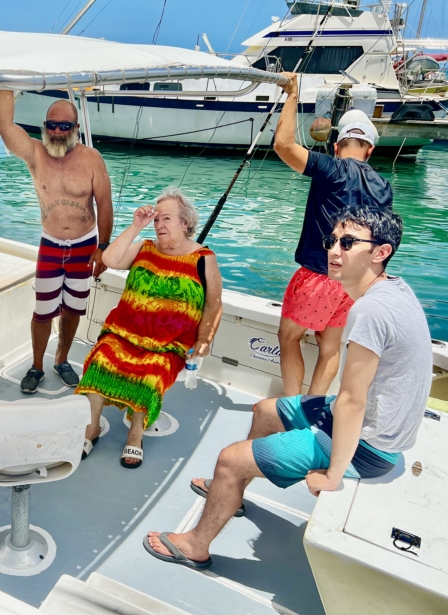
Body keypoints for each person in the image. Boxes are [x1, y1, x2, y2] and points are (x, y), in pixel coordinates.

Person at [145, 206, 431, 569]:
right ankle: (234, 494)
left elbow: (352, 402)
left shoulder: (371, 311)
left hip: (371, 446)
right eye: (332, 241)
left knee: (229, 460)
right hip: (379, 426)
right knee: (265, 410)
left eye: (348, 242)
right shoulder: (394, 290)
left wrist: (333, 476)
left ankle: (194, 545)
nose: (334, 250)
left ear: (381, 252)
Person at [75, 190, 222, 468]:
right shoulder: (145, 247)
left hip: (169, 343)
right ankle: (91, 427)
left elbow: (214, 306)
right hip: (124, 333)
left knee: (150, 375)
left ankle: (135, 434)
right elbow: (110, 260)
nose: (159, 225)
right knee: (99, 361)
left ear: (185, 224)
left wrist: (205, 339)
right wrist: (136, 225)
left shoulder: (203, 258)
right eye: (156, 220)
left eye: (166, 219)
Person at [273, 72, 392, 397]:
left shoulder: (332, 167)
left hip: (319, 275)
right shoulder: (385, 187)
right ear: (369, 150)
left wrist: (292, 93)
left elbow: (283, 146)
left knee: (289, 335)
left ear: (337, 146)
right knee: (330, 346)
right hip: (356, 282)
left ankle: (291, 407)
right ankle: (311, 410)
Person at [0, 91, 114, 393]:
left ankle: (62, 360)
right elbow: (5, 125)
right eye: (52, 125)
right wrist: (6, 87)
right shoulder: (34, 153)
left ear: (76, 128)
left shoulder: (91, 158)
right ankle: (36, 366)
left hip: (84, 246)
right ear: (44, 126)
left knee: (73, 309)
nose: (58, 132)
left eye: (65, 127)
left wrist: (103, 247)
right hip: (50, 243)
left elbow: (104, 203)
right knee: (43, 310)